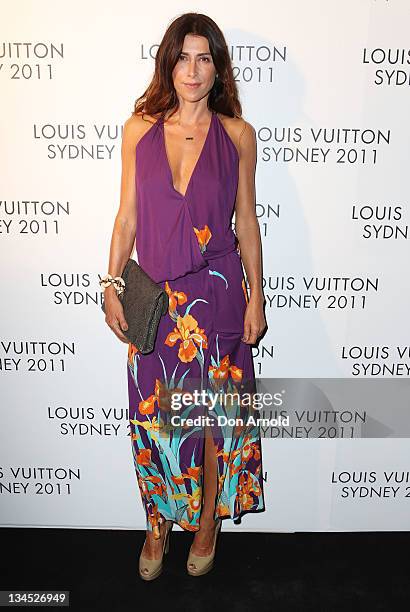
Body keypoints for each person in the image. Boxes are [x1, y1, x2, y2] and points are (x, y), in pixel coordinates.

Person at [101, 12, 267, 580]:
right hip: (157, 302)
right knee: (156, 421)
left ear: (217, 67)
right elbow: (126, 217)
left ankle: (206, 524)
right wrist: (111, 282)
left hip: (218, 296)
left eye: (204, 58)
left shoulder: (238, 135)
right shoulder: (139, 129)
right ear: (167, 62)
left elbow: (246, 221)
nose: (192, 70)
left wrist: (257, 296)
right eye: (182, 56)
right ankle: (158, 523)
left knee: (216, 418)